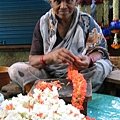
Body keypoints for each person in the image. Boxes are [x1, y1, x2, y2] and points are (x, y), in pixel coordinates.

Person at [8, 0, 112, 94]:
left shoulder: (86, 21)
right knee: (15, 70)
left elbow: (100, 51)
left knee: (101, 68)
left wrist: (89, 59)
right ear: (50, 2)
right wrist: (51, 57)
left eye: (68, 1)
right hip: (48, 74)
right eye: (58, 1)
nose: (63, 6)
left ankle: (52, 91)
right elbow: (33, 60)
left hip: (80, 73)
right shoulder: (43, 23)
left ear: (75, 1)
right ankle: (71, 89)